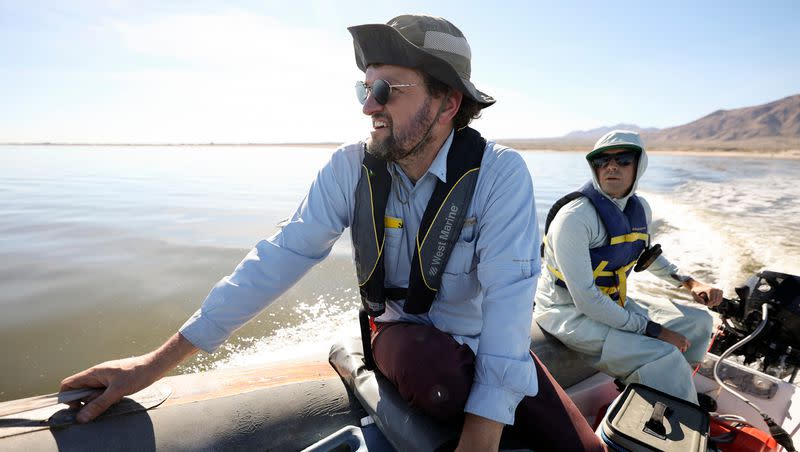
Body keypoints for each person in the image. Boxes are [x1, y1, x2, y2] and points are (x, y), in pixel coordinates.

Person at [61, 14, 604, 451]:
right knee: (430, 368)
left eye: (388, 89)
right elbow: (278, 257)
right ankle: (358, 355)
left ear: (448, 103)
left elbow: (511, 301)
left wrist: (482, 436)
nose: (369, 106)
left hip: (485, 341)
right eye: (364, 89)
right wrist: (154, 364)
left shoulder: (500, 175)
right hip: (402, 337)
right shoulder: (349, 170)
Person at [533, 130, 723, 405]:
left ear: (638, 166)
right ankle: (675, 416)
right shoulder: (575, 218)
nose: (611, 167)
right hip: (567, 313)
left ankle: (673, 395)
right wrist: (654, 331)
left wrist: (690, 283)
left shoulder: (639, 208)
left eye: (623, 160)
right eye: (602, 161)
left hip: (612, 302)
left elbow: (646, 255)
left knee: (700, 323)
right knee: (664, 355)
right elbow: (586, 301)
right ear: (594, 168)